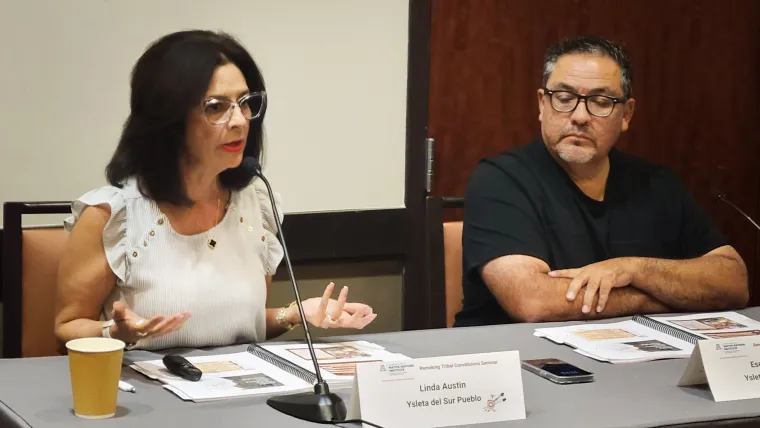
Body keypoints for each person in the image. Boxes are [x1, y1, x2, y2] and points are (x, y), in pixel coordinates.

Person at [54, 30, 377, 351]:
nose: (239, 120)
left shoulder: (255, 205)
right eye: (216, 107)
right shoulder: (114, 216)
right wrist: (115, 332)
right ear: (169, 119)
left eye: (245, 103)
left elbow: (232, 326)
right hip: (141, 395)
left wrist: (293, 314)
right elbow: (67, 326)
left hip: (232, 394)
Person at [454, 36, 749, 327]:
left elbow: (733, 283)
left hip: (634, 361)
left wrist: (633, 269)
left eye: (600, 102)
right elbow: (536, 302)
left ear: (626, 114)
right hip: (516, 360)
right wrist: (662, 297)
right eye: (565, 99)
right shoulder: (500, 179)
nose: (580, 116)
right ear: (542, 105)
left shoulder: (656, 183)